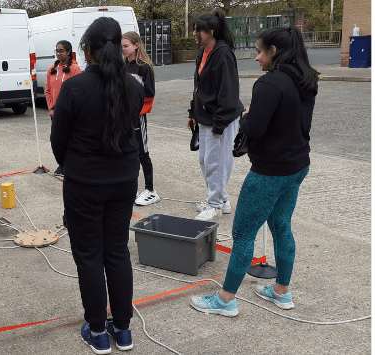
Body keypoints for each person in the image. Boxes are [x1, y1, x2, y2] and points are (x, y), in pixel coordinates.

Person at [190, 25, 318, 317]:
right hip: (297, 166)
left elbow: (254, 129)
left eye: (260, 51)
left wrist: (246, 117)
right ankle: (281, 291)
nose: (257, 57)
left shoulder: (269, 84)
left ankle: (225, 299)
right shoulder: (307, 79)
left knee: (243, 233)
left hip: (269, 172)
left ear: (274, 52)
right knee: (281, 225)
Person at [51, 17, 143, 354]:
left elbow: (58, 141)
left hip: (85, 183)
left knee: (90, 256)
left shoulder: (74, 87)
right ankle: (122, 329)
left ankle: (97, 331)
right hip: (122, 180)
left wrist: (74, 165)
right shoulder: (134, 85)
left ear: (87, 50)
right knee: (117, 252)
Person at [186, 11, 244, 221]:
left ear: (210, 32)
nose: (193, 33)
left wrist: (219, 123)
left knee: (216, 162)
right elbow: (199, 87)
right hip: (206, 118)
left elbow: (229, 92)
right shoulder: (204, 51)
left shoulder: (223, 54)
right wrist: (193, 112)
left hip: (221, 119)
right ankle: (222, 199)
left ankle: (215, 204)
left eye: (197, 30)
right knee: (206, 161)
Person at [122, 31, 159, 206]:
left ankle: (151, 190)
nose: (123, 49)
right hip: (125, 117)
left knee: (142, 152)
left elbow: (150, 94)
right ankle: (132, 188)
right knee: (128, 152)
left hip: (138, 117)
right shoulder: (123, 66)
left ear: (136, 45)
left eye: (125, 46)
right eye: (121, 46)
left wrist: (138, 111)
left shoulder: (144, 67)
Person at [45, 40, 81, 177]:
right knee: (57, 139)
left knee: (70, 139)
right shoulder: (51, 69)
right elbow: (47, 90)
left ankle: (69, 165)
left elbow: (78, 91)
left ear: (68, 52)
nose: (58, 54)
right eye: (57, 51)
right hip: (55, 112)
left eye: (61, 51)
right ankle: (62, 164)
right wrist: (51, 108)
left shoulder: (75, 69)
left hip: (69, 112)